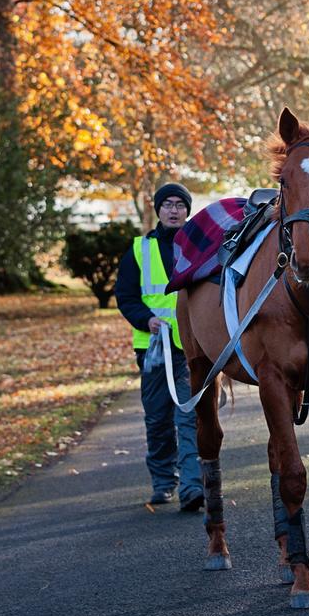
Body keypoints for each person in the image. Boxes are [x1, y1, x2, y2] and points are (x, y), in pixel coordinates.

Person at [115, 182, 204, 511]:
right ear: (158, 210)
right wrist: (147, 320)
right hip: (152, 348)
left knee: (188, 414)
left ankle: (193, 486)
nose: (173, 210)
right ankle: (164, 482)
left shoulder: (198, 247)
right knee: (157, 419)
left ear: (187, 210)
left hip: (191, 347)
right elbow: (125, 296)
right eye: (167, 204)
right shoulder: (139, 249)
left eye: (180, 204)